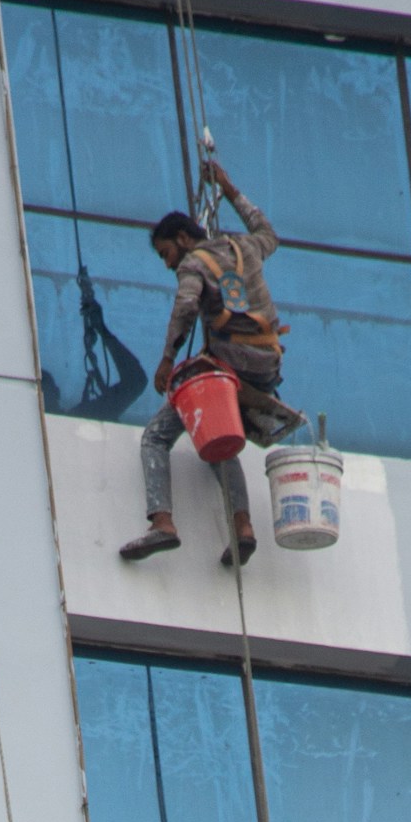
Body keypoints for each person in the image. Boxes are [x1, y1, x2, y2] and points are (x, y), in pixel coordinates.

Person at [120, 164, 302, 569]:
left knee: (155, 437)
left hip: (229, 366)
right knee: (218, 435)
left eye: (167, 254)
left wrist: (168, 359)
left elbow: (185, 306)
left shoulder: (193, 265)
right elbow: (267, 231)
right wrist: (229, 188)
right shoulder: (245, 247)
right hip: (266, 367)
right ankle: (243, 529)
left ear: (183, 239)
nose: (169, 265)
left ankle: (162, 522)